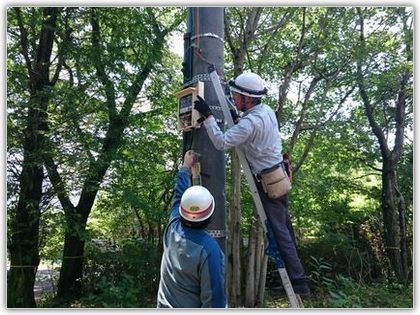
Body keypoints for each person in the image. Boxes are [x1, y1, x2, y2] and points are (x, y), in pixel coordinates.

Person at [194, 72, 310, 296]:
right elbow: (252, 133)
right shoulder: (264, 112)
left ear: (247, 99)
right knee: (285, 227)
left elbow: (221, 142)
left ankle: (298, 281)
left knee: (280, 231)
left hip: (269, 183)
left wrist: (208, 117)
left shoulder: (251, 122)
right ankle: (298, 277)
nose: (233, 98)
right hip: (279, 176)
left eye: (236, 95)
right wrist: (237, 121)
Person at [157, 150, 227, 308]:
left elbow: (179, 196)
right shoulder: (209, 251)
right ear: (209, 215)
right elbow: (214, 302)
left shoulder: (172, 228)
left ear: (182, 211)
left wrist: (185, 167)